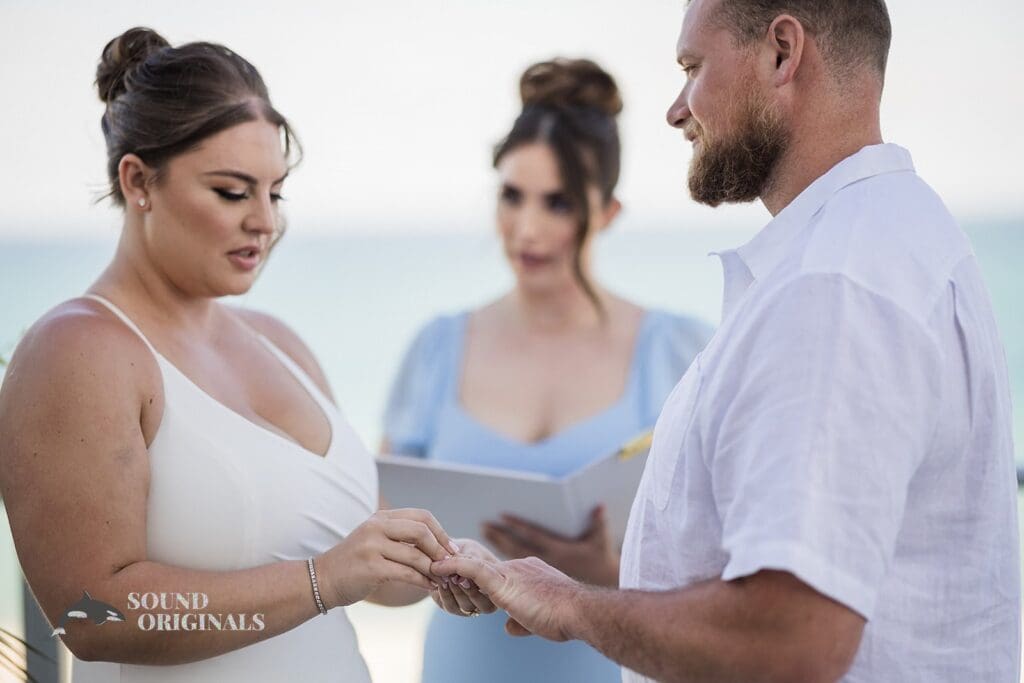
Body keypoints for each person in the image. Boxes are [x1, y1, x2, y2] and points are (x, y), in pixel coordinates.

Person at [429, 1, 1022, 681]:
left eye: (693, 67)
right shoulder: (902, 238)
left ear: (781, 52)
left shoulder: (832, 285)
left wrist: (569, 604)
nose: (676, 110)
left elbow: (791, 637)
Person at [0, 27, 487, 683]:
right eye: (233, 192)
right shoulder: (78, 350)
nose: (265, 221)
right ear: (138, 181)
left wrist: (444, 565)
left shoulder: (280, 343)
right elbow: (90, 617)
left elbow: (363, 570)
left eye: (274, 192)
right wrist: (321, 579)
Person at [382, 58, 712, 683]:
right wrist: (423, 568)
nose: (527, 229)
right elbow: (385, 578)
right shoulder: (436, 349)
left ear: (607, 212)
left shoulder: (679, 351)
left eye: (558, 203)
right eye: (512, 196)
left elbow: (724, 577)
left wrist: (603, 572)